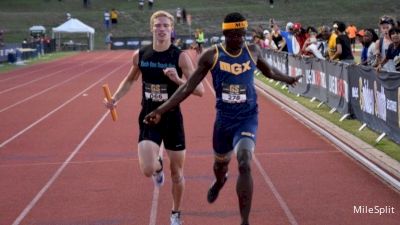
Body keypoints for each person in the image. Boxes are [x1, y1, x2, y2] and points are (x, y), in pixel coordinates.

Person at [144, 12, 301, 225]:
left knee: (245, 162)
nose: (238, 40)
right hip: (223, 122)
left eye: (242, 35)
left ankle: (244, 220)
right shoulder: (211, 55)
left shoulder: (252, 51)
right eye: (234, 35)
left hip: (247, 118)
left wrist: (289, 78)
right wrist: (161, 110)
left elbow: (270, 71)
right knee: (220, 166)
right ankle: (219, 181)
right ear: (225, 34)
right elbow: (188, 88)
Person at [104, 10, 204, 225]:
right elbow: (130, 81)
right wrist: (115, 99)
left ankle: (176, 213)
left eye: (165, 26)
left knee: (177, 173)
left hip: (172, 118)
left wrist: (177, 79)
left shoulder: (180, 56)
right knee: (147, 168)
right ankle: (157, 170)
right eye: (157, 25)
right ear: (152, 28)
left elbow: (200, 90)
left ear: (171, 29)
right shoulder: (141, 55)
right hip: (149, 116)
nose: (161, 29)